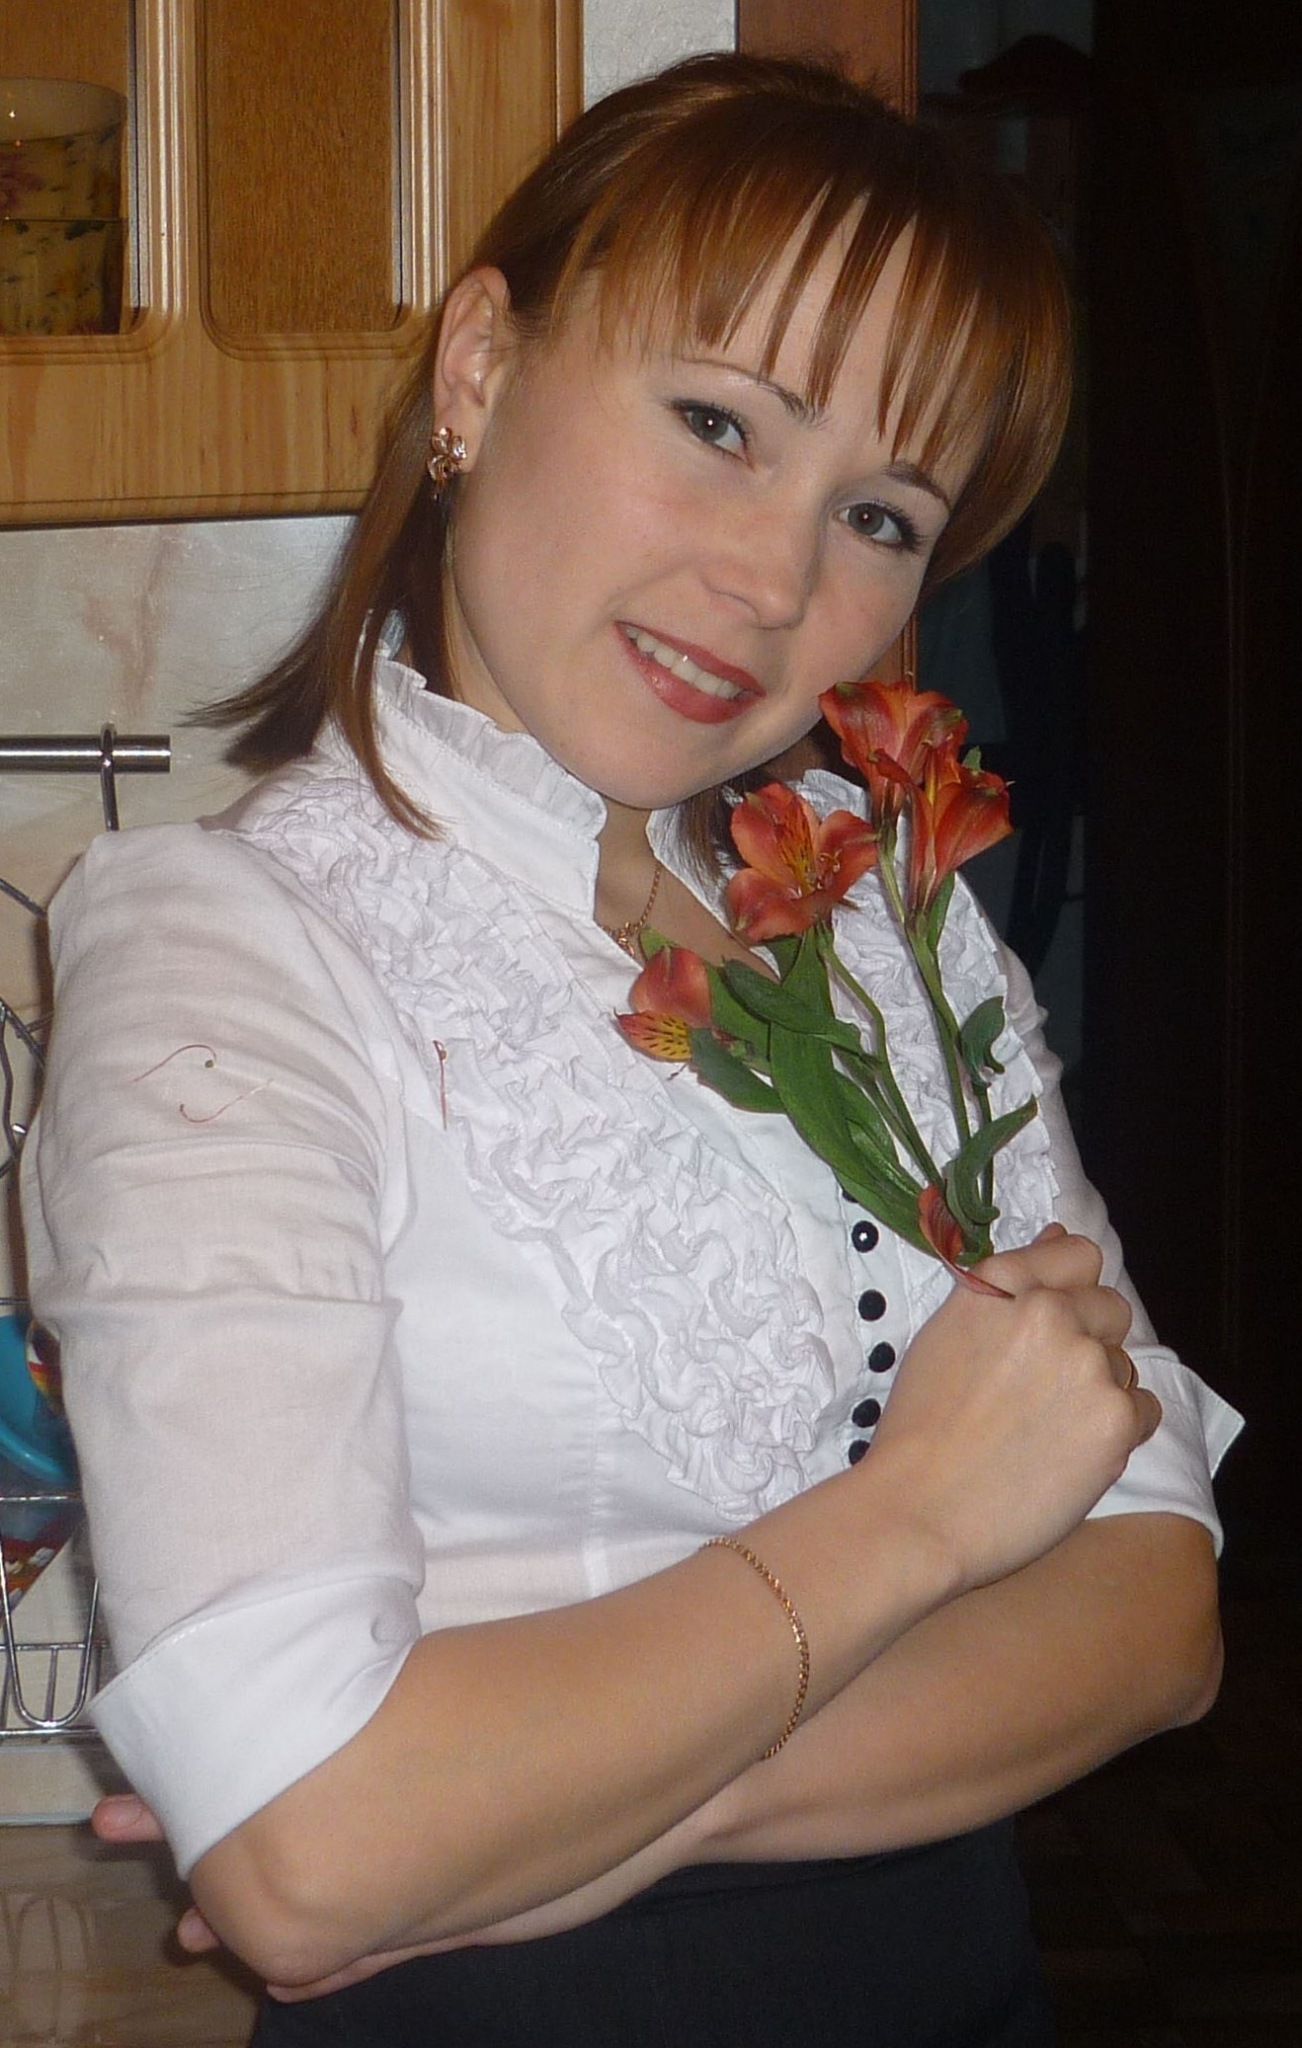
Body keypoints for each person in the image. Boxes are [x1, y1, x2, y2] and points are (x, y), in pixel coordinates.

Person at [22, 52, 1240, 2048]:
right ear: (479, 370)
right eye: (717, 423)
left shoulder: (887, 923)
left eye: (877, 513)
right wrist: (927, 1521)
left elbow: (1157, 1610)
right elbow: (314, 1854)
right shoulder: (224, 952)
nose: (774, 583)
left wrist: (551, 1826)